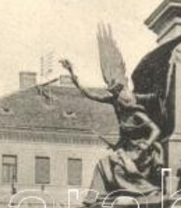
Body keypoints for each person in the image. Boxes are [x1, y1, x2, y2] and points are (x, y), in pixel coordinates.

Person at [59, 59, 162, 194]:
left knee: (118, 167)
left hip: (141, 153)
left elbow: (156, 130)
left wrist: (147, 144)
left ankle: (146, 190)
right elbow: (90, 94)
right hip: (128, 151)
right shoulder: (117, 106)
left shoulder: (136, 113)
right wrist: (72, 74)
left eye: (121, 99)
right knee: (102, 163)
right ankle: (95, 197)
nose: (119, 103)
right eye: (117, 99)